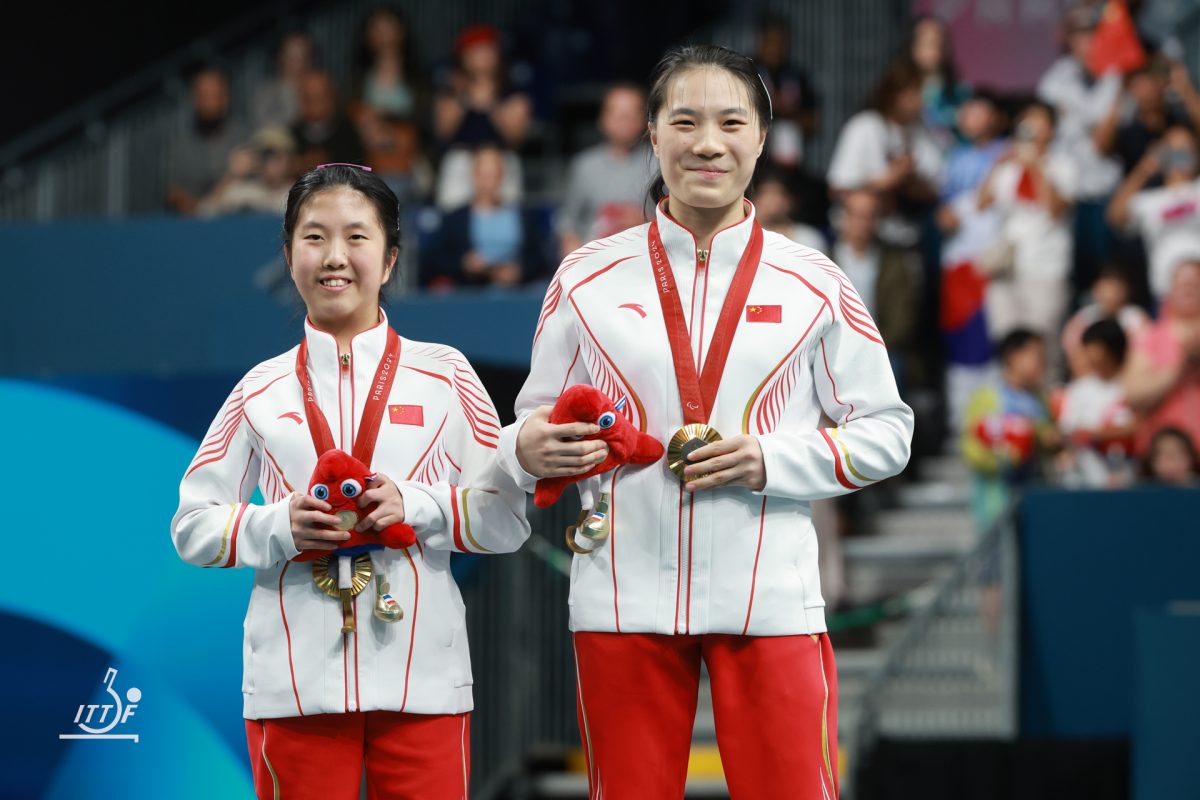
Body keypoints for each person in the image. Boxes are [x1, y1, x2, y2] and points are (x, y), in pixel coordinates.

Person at [498, 45, 913, 799]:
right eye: (684, 120)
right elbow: (531, 424)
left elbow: (887, 432)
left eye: (731, 121)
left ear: (762, 138)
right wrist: (525, 448)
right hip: (621, 596)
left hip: (770, 598)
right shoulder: (585, 277)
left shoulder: (815, 281)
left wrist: (771, 460)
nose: (708, 142)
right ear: (652, 137)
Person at [171, 164, 530, 799]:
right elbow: (192, 526)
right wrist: (279, 525)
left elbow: (504, 518)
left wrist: (416, 505)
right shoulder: (259, 389)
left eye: (357, 238)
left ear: (390, 258)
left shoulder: (444, 375)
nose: (335, 257)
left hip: (423, 679)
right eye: (314, 237)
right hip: (294, 685)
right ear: (288, 257)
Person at [977, 101, 1076, 343]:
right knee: (1005, 340)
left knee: (1042, 342)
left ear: (1051, 129)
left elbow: (1055, 210)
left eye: (1038, 122)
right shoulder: (1009, 166)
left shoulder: (1064, 165)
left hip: (1045, 266)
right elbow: (982, 203)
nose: (1031, 128)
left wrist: (1035, 166)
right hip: (1007, 267)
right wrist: (998, 163)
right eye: (1027, 121)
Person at [827, 57, 943, 249]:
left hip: (906, 238)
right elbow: (838, 187)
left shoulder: (922, 132)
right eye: (914, 93)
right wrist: (887, 179)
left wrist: (909, 180)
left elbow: (935, 190)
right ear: (894, 94)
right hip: (861, 241)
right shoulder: (865, 126)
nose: (920, 101)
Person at [432, 24, 531, 210]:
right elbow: (442, 132)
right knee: (452, 215)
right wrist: (464, 96)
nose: (480, 57)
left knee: (508, 216)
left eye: (486, 50)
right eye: (473, 52)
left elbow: (516, 138)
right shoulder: (450, 90)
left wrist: (491, 102)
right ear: (462, 57)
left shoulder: (512, 90)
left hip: (502, 160)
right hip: (461, 161)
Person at [556, 83, 657, 259]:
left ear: (644, 120)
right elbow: (568, 220)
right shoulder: (584, 166)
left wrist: (646, 221)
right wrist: (573, 255)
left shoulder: (660, 164)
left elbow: (678, 221)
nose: (624, 121)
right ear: (603, 119)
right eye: (617, 114)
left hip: (646, 257)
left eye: (630, 114)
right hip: (594, 260)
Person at [424, 144, 546, 288]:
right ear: (474, 175)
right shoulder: (455, 219)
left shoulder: (524, 216)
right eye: (483, 174)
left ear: (502, 176)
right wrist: (464, 264)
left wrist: (519, 270)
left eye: (494, 175)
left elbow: (539, 258)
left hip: (516, 291)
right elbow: (433, 260)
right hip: (471, 292)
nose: (488, 181)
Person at [1107, 124, 1200, 302]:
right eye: (1173, 151)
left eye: (1186, 149)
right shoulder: (1148, 200)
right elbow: (1115, 216)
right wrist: (1144, 168)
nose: (1180, 156)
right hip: (1165, 292)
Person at [1122, 258, 1200, 457]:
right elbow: (1135, 396)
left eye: (1195, 283)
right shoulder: (1149, 337)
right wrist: (1180, 370)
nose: (1188, 289)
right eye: (1182, 283)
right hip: (1162, 459)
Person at [1057, 319, 1137, 488]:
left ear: (1112, 348)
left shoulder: (1135, 385)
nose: (1090, 354)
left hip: (1131, 474)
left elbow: (1139, 428)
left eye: (1095, 348)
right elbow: (1068, 431)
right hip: (1088, 478)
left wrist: (1096, 434)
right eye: (1087, 348)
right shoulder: (1078, 389)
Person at [167, 68, 250, 215]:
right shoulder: (182, 145)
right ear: (195, 99)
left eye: (215, 96)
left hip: (235, 220)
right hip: (193, 224)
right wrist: (194, 210)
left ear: (225, 98)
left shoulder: (243, 137)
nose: (210, 103)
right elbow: (173, 191)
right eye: (204, 96)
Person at [1060, 264, 1149, 378]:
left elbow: (1142, 355)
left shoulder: (1138, 319)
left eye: (1117, 289)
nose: (1111, 295)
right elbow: (1074, 357)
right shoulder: (1081, 320)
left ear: (1127, 290)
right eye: (1106, 288)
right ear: (1095, 290)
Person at [197, 127, 298, 217]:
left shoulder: (297, 195)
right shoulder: (243, 191)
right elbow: (203, 213)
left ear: (289, 160)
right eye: (265, 155)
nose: (270, 162)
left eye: (277, 156)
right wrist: (231, 176)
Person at [908, 15, 970, 147]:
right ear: (913, 47)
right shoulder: (899, 92)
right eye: (929, 43)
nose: (936, 50)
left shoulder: (960, 92)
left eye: (941, 43)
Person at [291, 70, 368, 173]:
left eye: (320, 97)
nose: (314, 104)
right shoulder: (290, 136)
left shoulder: (348, 133)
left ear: (331, 98)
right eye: (308, 98)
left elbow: (358, 172)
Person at [750, 170, 827, 252]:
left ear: (789, 202)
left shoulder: (808, 238)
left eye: (775, 197)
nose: (769, 203)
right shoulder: (746, 237)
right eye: (764, 196)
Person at [252, 31, 316, 131]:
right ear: (280, 57)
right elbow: (265, 126)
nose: (298, 62)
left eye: (303, 55)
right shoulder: (266, 92)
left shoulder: (317, 89)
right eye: (291, 56)